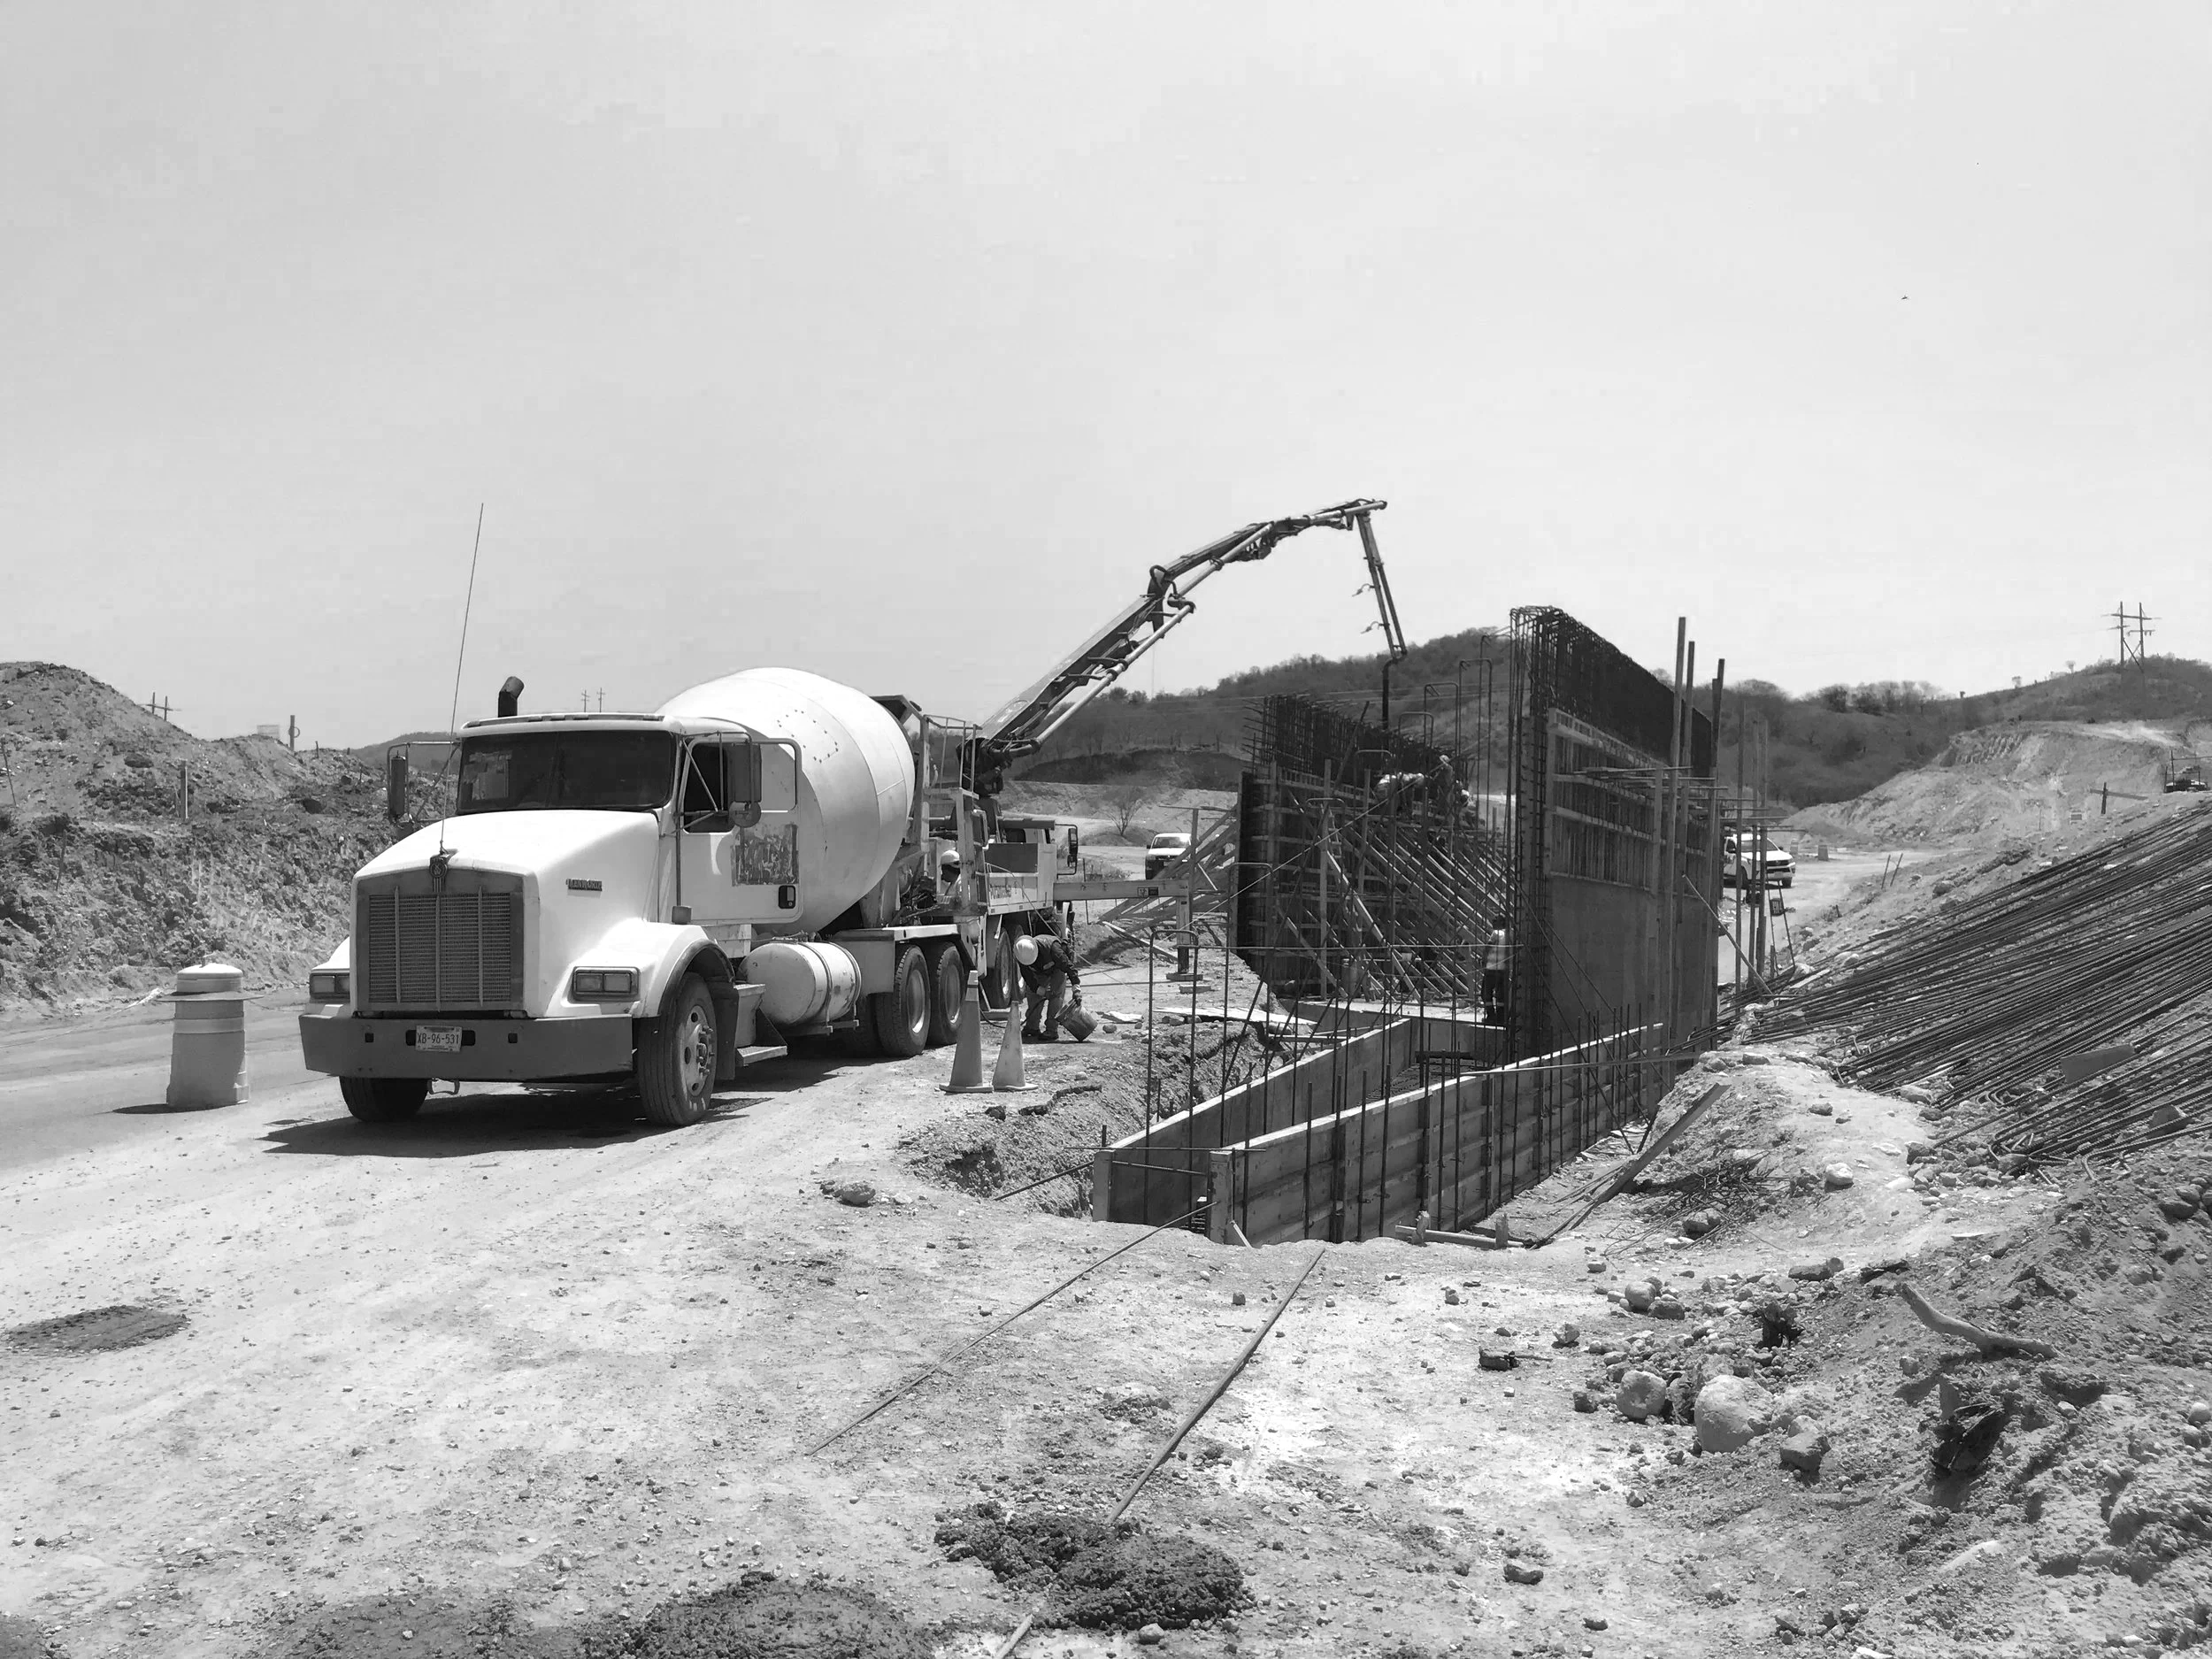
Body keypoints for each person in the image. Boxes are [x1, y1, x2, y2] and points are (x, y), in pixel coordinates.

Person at [1016, 923, 1079, 1042]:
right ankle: (1032, 1027)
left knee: (1056, 995)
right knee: (1033, 994)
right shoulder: (1022, 955)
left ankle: (1052, 1030)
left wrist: (1076, 988)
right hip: (1041, 970)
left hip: (1057, 968)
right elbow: (1029, 978)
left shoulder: (1054, 950)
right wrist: (1041, 990)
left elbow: (1070, 968)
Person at [1481, 913, 1509, 1025]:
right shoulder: (1509, 934)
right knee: (1500, 995)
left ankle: (1491, 1016)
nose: (1493, 922)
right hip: (1503, 970)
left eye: (1495, 920)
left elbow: (1488, 947)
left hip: (1492, 969)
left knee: (1485, 993)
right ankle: (1500, 1018)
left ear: (1502, 923)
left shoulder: (1496, 933)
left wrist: (1483, 959)